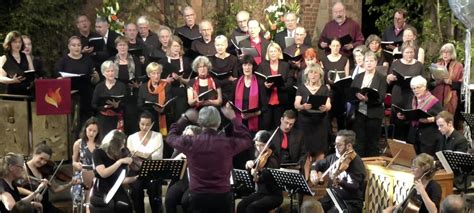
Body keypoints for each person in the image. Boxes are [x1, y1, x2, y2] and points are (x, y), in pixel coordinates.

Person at [166, 106, 253, 213]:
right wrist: (234, 118)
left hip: (198, 196)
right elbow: (247, 140)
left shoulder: (191, 142)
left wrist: (184, 118)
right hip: (222, 196)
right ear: (218, 122)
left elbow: (170, 137)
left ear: (200, 123)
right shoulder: (227, 143)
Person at [309, 130, 366, 213]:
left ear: (349, 146)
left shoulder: (356, 163)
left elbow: (354, 187)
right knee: (311, 208)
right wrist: (313, 171)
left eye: (339, 145)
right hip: (332, 198)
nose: (335, 147)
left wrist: (340, 182)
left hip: (349, 203)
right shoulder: (334, 157)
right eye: (335, 144)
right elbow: (318, 164)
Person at [54, 36, 100, 130]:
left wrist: (96, 77)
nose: (76, 47)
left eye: (79, 45)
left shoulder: (88, 60)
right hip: (68, 97)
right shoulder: (62, 61)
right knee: (70, 125)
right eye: (74, 45)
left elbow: (94, 81)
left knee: (85, 124)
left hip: (86, 97)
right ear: (69, 47)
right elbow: (57, 80)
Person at [231, 55, 267, 169]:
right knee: (239, 153)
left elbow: (264, 107)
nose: (247, 67)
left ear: (253, 67)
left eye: (249, 65)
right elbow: (231, 102)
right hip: (239, 124)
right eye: (245, 65)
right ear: (241, 67)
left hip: (254, 124)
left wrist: (252, 114)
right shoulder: (236, 83)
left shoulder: (260, 82)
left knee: (251, 153)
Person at [90, 130, 137, 212]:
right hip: (101, 190)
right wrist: (119, 162)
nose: (123, 147)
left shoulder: (119, 155)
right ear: (115, 144)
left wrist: (136, 178)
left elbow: (120, 180)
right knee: (112, 206)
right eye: (122, 144)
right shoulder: (98, 153)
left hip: (116, 188)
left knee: (126, 205)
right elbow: (103, 173)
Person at [387, 41, 425, 141]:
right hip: (398, 95)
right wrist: (389, 78)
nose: (409, 55)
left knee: (409, 125)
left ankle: (409, 150)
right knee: (396, 124)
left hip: (411, 97)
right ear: (402, 52)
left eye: (411, 52)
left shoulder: (419, 65)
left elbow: (424, 82)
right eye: (407, 52)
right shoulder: (396, 63)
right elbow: (389, 81)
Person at [236, 130, 283, 213]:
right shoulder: (258, 156)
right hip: (261, 193)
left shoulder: (273, 158)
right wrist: (248, 165)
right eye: (257, 145)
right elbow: (252, 173)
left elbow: (266, 177)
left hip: (273, 195)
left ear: (268, 144)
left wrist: (258, 174)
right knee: (241, 205)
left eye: (262, 145)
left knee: (252, 208)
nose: (259, 148)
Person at [351, 51, 387, 157]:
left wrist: (368, 99)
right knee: (359, 141)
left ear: (376, 62)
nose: (369, 63)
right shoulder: (358, 77)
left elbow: (381, 98)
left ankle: (372, 166)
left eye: (371, 61)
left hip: (374, 114)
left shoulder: (381, 78)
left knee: (372, 142)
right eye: (367, 61)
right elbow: (352, 91)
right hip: (359, 112)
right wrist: (356, 96)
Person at [127, 112, 164, 213]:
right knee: (136, 189)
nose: (144, 127)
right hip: (136, 170)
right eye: (142, 124)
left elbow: (158, 156)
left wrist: (144, 156)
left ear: (152, 124)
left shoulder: (158, 136)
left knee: (154, 189)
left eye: (147, 124)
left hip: (152, 170)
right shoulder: (131, 137)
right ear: (139, 123)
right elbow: (130, 157)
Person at [397, 76, 442, 156]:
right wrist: (403, 116)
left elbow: (442, 117)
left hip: (427, 137)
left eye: (418, 87)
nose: (416, 90)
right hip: (413, 136)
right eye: (413, 88)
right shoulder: (412, 99)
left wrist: (432, 119)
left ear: (425, 87)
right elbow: (409, 113)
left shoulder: (433, 101)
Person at [294, 63, 331, 156]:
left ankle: (319, 170)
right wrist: (303, 106)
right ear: (307, 75)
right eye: (311, 72)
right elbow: (296, 104)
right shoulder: (301, 88)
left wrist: (325, 108)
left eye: (316, 73)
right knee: (306, 150)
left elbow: (328, 105)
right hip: (305, 122)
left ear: (320, 75)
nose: (313, 75)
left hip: (320, 122)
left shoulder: (324, 88)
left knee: (320, 149)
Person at [109, 36, 143, 135]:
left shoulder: (135, 60)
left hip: (132, 94)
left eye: (124, 45)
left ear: (128, 46)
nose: (122, 47)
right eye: (120, 45)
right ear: (116, 47)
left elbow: (139, 76)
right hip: (117, 94)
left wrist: (138, 84)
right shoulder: (111, 61)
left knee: (131, 120)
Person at [25, 142, 73, 213]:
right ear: (34, 154)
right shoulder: (23, 168)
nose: (43, 162)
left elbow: (55, 189)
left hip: (46, 206)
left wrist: (71, 183)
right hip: (30, 207)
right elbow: (17, 188)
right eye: (41, 158)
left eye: (46, 161)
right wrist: (33, 194)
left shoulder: (46, 169)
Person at [164, 125, 201, 213]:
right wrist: (178, 157)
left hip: (194, 183)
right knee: (169, 199)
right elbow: (169, 167)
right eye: (185, 135)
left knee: (186, 201)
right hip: (181, 181)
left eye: (190, 136)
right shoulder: (180, 147)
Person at [258, 42, 293, 129]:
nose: (273, 53)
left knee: (279, 127)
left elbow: (290, 83)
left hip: (281, 102)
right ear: (268, 53)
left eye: (275, 51)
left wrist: (279, 85)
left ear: (279, 52)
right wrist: (265, 85)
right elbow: (258, 82)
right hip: (267, 101)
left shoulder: (285, 65)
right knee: (266, 126)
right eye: (271, 51)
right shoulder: (262, 66)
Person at [158, 36, 192, 124]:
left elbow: (190, 81)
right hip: (167, 93)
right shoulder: (162, 61)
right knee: (169, 117)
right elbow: (156, 79)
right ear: (169, 47)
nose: (176, 48)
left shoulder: (186, 61)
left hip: (181, 92)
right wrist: (166, 80)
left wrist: (180, 79)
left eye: (178, 46)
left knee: (180, 116)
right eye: (174, 46)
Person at [71, 117, 101, 211]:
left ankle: (90, 206)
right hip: (82, 173)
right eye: (90, 130)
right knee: (80, 184)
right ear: (85, 129)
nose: (91, 133)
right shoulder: (78, 143)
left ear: (98, 132)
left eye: (94, 131)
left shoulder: (100, 145)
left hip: (96, 174)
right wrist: (76, 165)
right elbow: (74, 162)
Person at [91, 61, 127, 138]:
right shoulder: (99, 87)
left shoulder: (121, 86)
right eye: (108, 71)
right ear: (103, 73)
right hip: (102, 120)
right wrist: (104, 107)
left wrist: (117, 105)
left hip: (116, 119)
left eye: (112, 71)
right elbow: (94, 104)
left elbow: (125, 103)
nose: (110, 73)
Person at [320, 38, 350, 131]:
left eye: (337, 46)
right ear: (329, 46)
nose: (336, 48)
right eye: (333, 46)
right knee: (328, 118)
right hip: (328, 92)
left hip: (340, 92)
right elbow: (321, 76)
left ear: (340, 46)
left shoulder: (345, 59)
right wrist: (326, 84)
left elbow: (347, 77)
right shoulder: (324, 59)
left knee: (340, 118)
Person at [137, 62, 173, 137]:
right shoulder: (143, 87)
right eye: (153, 73)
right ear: (149, 75)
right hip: (148, 118)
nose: (156, 76)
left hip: (163, 116)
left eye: (158, 73)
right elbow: (139, 105)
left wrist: (163, 110)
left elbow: (170, 103)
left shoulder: (166, 86)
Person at [431, 43, 463, 115]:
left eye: (447, 52)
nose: (445, 54)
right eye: (443, 52)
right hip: (437, 95)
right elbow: (431, 84)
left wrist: (450, 82)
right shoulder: (437, 65)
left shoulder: (458, 66)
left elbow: (461, 85)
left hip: (451, 97)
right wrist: (434, 78)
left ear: (452, 54)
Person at [0, 31, 35, 95]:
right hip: (11, 94)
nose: (17, 44)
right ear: (9, 43)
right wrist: (12, 80)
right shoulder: (4, 58)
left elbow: (32, 74)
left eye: (19, 42)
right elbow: (1, 78)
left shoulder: (27, 57)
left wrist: (32, 81)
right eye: (15, 42)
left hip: (27, 93)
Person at [209, 35, 239, 102]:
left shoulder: (233, 59)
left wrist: (218, 80)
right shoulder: (210, 60)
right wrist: (227, 80)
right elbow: (210, 80)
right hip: (214, 92)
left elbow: (234, 79)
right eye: (217, 45)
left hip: (230, 91)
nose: (220, 47)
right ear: (214, 46)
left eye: (222, 45)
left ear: (226, 45)